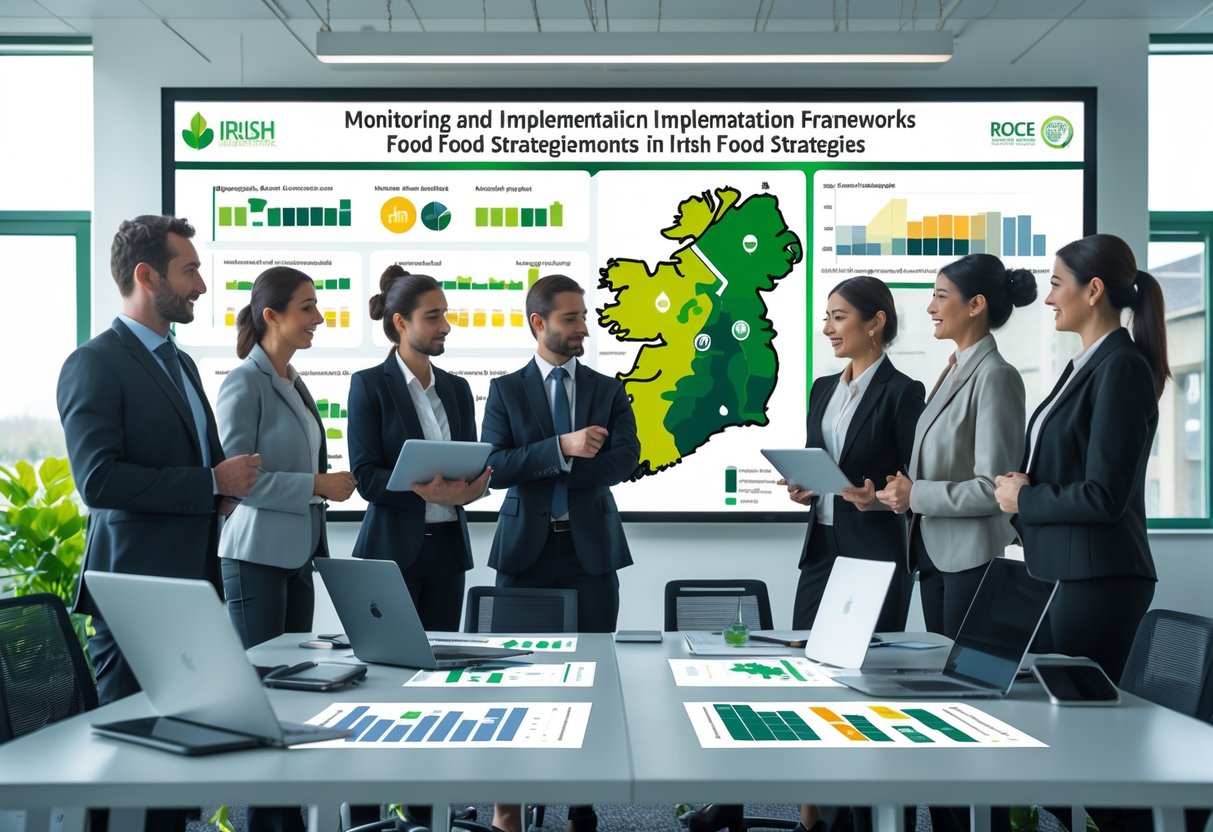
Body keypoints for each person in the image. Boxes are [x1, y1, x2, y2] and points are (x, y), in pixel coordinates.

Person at [686, 277, 926, 832]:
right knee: (807, 678)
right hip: (821, 549)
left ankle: (870, 814)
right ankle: (812, 816)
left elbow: (915, 478)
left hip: (875, 552)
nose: (828, 329)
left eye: (839, 318)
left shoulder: (902, 391)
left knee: (868, 688)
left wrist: (878, 498)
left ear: (875, 323)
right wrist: (805, 485)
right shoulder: (823, 388)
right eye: (827, 317)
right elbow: (824, 460)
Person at [56, 215, 258, 832]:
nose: (201, 284)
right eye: (189, 270)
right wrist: (209, 484)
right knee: (123, 764)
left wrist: (219, 493)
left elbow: (201, 464)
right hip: (134, 592)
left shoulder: (183, 362)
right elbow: (99, 482)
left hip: (190, 589)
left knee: (175, 765)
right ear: (146, 275)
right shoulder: (94, 362)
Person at [480, 273, 639, 832]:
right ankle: (507, 808)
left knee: (592, 681)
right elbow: (497, 466)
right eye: (571, 319)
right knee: (517, 682)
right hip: (524, 554)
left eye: (583, 316)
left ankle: (581, 802)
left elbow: (625, 461)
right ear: (538, 324)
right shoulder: (505, 390)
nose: (583, 329)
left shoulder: (608, 388)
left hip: (592, 554)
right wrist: (563, 448)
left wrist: (546, 461)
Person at [995, 233, 1166, 680]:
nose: (1048, 298)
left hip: (1096, 578)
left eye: (1055, 284)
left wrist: (1025, 499)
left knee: (1080, 721)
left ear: (1093, 290)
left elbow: (1104, 496)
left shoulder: (1122, 366)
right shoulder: (1085, 365)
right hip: (1059, 572)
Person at [874, 253, 1035, 639]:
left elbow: (992, 489)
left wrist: (917, 494)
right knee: (940, 679)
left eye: (941, 296)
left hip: (970, 559)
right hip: (934, 553)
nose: (931, 307)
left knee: (960, 685)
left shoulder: (996, 376)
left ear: (976, 304)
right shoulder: (955, 369)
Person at [216, 266, 356, 651]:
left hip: (300, 555)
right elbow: (238, 481)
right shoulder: (244, 381)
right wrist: (316, 484)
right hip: (255, 556)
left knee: (295, 673)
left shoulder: (293, 382)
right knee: (263, 678)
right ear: (272, 316)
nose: (319, 319)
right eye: (307, 308)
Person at [347, 266, 488, 632]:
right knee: (391, 665)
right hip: (391, 551)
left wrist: (473, 487)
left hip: (449, 552)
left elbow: (471, 466)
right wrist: (428, 493)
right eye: (433, 316)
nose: (445, 326)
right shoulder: (370, 385)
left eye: (445, 314)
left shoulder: (457, 390)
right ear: (401, 322)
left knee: (442, 663)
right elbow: (366, 477)